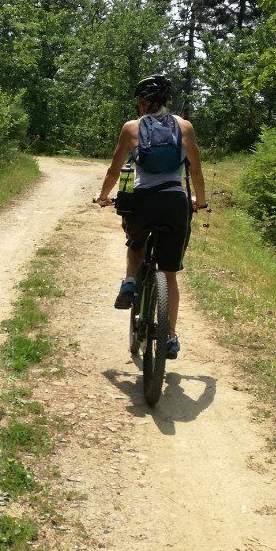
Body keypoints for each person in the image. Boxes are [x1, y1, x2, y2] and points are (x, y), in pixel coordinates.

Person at [94, 72, 207, 360]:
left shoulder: (131, 128)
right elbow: (195, 170)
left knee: (136, 241)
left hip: (142, 201)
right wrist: (201, 202)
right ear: (166, 100)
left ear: (142, 103)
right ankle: (169, 338)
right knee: (169, 274)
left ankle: (131, 280)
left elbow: (114, 170)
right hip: (174, 201)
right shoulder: (184, 126)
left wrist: (104, 196)